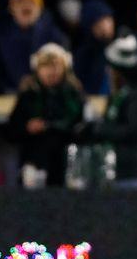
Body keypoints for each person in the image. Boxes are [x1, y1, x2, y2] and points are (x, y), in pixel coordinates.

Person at [75, 34, 137, 188]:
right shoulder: (119, 94)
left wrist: (99, 129)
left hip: (132, 172)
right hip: (113, 171)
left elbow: (136, 131)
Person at [7, 43, 86, 187]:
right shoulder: (28, 95)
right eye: (46, 66)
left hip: (66, 167)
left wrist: (52, 126)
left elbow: (83, 127)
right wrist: (27, 127)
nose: (51, 71)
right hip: (34, 165)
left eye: (56, 65)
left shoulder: (74, 94)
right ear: (37, 69)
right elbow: (12, 130)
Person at [0, 0, 66, 94]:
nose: (26, 6)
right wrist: (3, 88)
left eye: (32, 2)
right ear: (11, 8)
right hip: (8, 93)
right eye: (20, 2)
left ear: (40, 9)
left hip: (44, 93)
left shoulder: (52, 35)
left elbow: (62, 66)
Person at [74, 0, 115, 95]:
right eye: (100, 22)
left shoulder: (120, 47)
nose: (106, 26)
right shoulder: (83, 55)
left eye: (108, 20)